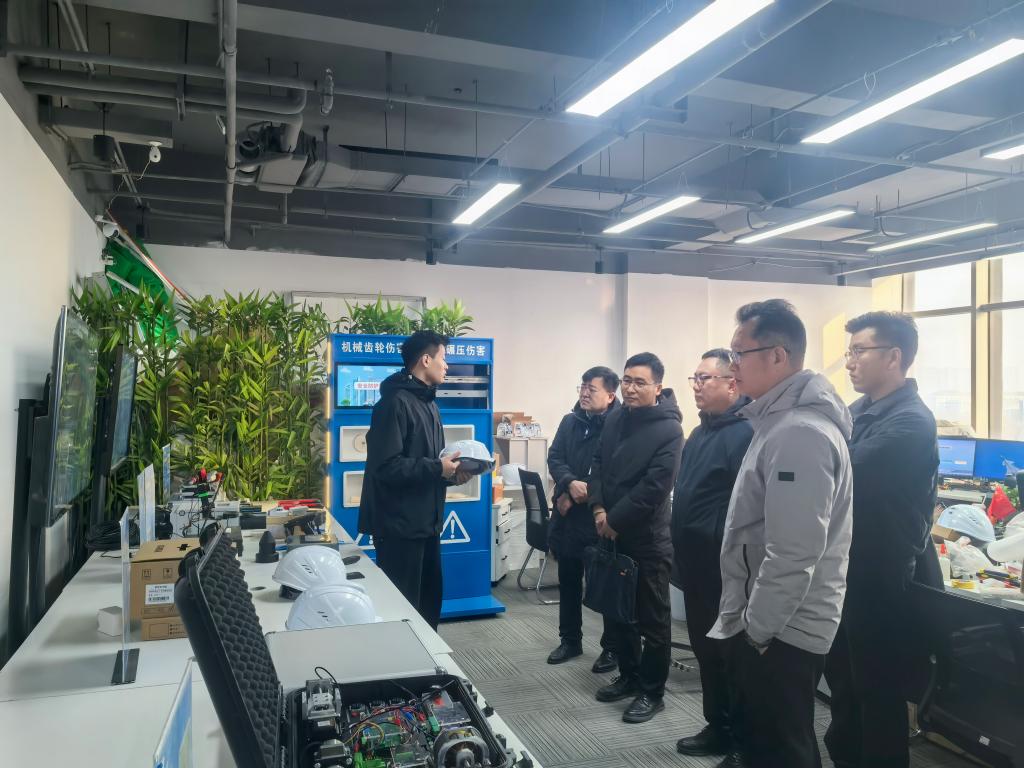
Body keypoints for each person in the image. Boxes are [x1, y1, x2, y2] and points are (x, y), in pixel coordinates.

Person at [710, 299, 853, 768]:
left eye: (739, 354)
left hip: (783, 628)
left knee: (781, 748)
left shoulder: (800, 433)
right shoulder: (778, 421)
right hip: (774, 620)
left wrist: (757, 630)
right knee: (771, 741)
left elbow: (794, 551)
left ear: (777, 355)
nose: (731, 366)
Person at [824, 312, 939, 768]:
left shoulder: (911, 422)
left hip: (879, 574)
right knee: (844, 680)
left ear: (893, 357)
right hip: (845, 566)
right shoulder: (858, 410)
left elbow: (838, 469)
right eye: (848, 351)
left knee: (876, 689)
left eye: (858, 351)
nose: (850, 362)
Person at [589, 352, 684, 724]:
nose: (630, 388)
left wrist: (615, 519)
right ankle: (629, 677)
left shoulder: (670, 430)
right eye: (627, 380)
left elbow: (655, 487)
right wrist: (599, 508)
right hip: (610, 532)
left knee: (653, 621)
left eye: (639, 382)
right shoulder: (615, 418)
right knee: (619, 613)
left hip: (647, 540)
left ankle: (652, 692)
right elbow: (597, 464)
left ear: (658, 387)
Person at [358, 330, 468, 630]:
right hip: (399, 528)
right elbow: (387, 467)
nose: (447, 366)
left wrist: (451, 474)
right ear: (426, 360)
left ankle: (429, 659)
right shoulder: (393, 404)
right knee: (403, 611)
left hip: (427, 525)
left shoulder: (429, 404)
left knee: (429, 604)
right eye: (443, 358)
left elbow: (430, 463)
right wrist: (437, 468)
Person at [673, 350, 753, 763]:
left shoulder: (746, 433)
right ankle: (717, 726)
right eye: (695, 378)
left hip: (725, 567)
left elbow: (746, 508)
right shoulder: (700, 431)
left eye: (705, 378)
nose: (697, 386)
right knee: (706, 651)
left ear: (732, 383)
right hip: (694, 564)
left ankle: (742, 740)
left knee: (732, 657)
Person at [546, 366, 620, 672]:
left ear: (610, 395)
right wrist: (569, 483)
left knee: (604, 587)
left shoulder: (619, 425)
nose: (585, 393)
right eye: (583, 387)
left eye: (592, 388)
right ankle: (570, 640)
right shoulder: (571, 421)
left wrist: (585, 490)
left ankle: (611, 649)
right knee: (569, 581)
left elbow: (613, 470)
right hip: (569, 520)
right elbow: (554, 457)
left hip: (599, 518)